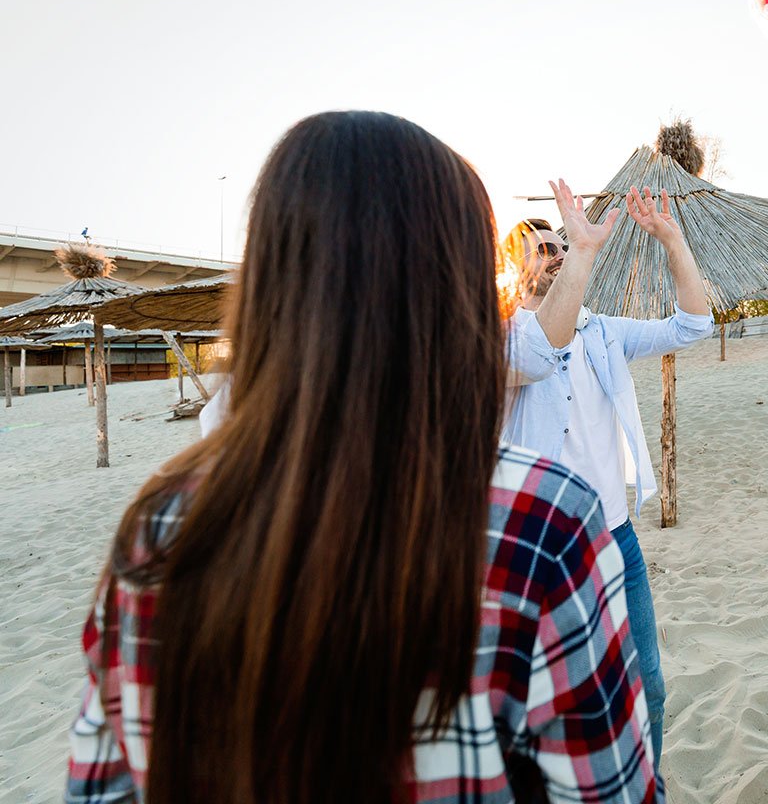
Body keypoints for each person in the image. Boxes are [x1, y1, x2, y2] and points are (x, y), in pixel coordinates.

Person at [65, 111, 662, 804]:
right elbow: (610, 790)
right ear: (459, 284)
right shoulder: (541, 523)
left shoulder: (158, 528)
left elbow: (99, 788)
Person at [504, 179, 714, 773]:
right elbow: (538, 353)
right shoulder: (499, 339)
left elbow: (692, 326)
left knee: (649, 687)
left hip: (616, 539)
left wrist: (672, 240)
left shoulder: (602, 331)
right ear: (513, 267)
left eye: (561, 246)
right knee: (552, 703)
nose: (556, 254)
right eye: (544, 249)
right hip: (540, 551)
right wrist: (581, 251)